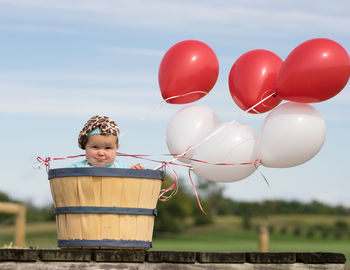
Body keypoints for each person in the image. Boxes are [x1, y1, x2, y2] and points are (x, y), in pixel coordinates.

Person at [69, 115, 144, 169]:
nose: (101, 153)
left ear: (116, 148)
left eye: (108, 148)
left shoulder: (122, 170)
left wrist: (135, 173)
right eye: (95, 147)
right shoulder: (75, 170)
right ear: (85, 146)